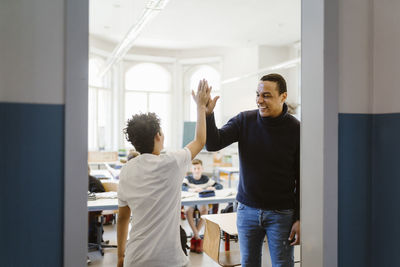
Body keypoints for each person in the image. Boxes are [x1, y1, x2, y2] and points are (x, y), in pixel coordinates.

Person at [205, 73, 300, 267]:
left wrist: (299, 218)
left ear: (283, 96)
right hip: (247, 210)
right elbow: (213, 144)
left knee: (283, 264)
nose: (259, 100)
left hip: (281, 214)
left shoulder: (296, 129)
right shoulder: (244, 121)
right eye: (257, 94)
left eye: (266, 95)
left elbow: (303, 178)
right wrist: (208, 115)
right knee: (249, 263)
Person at [116, 79, 211, 267]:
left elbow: (123, 218)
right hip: (170, 260)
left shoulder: (126, 170)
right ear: (158, 136)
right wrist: (200, 106)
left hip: (136, 259)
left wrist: (120, 255)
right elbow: (200, 141)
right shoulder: (172, 162)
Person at [182, 158, 222, 253]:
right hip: (190, 200)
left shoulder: (206, 179)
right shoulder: (188, 179)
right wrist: (192, 190)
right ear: (191, 169)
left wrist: (213, 187)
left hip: (201, 200)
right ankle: (197, 236)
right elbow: (182, 187)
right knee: (188, 211)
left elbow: (220, 186)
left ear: (202, 169)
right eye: (194, 168)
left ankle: (195, 237)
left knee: (204, 210)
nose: (197, 170)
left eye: (198, 168)